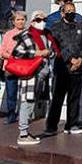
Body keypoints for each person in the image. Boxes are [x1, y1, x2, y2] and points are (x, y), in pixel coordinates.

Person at [11, 9, 57, 145]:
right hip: (30, 74)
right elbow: (17, 53)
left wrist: (49, 53)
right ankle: (23, 134)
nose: (41, 22)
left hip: (43, 74)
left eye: (44, 20)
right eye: (38, 20)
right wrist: (37, 53)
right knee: (27, 102)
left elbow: (52, 51)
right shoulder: (27, 35)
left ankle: (26, 131)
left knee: (33, 103)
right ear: (32, 21)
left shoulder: (47, 35)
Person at [45, 0, 82, 136]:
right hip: (62, 68)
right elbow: (57, 46)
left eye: (73, 11)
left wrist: (80, 59)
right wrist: (71, 59)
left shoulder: (80, 27)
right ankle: (51, 126)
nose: (71, 13)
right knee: (58, 98)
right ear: (62, 14)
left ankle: (72, 124)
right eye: (68, 11)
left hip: (77, 69)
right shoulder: (56, 27)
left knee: (74, 98)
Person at [0, 11, 27, 124]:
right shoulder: (8, 34)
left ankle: (24, 115)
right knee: (11, 92)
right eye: (18, 20)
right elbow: (2, 52)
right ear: (13, 22)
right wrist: (13, 57)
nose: (20, 22)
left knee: (25, 93)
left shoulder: (29, 33)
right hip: (10, 67)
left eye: (22, 19)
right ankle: (11, 115)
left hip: (25, 68)